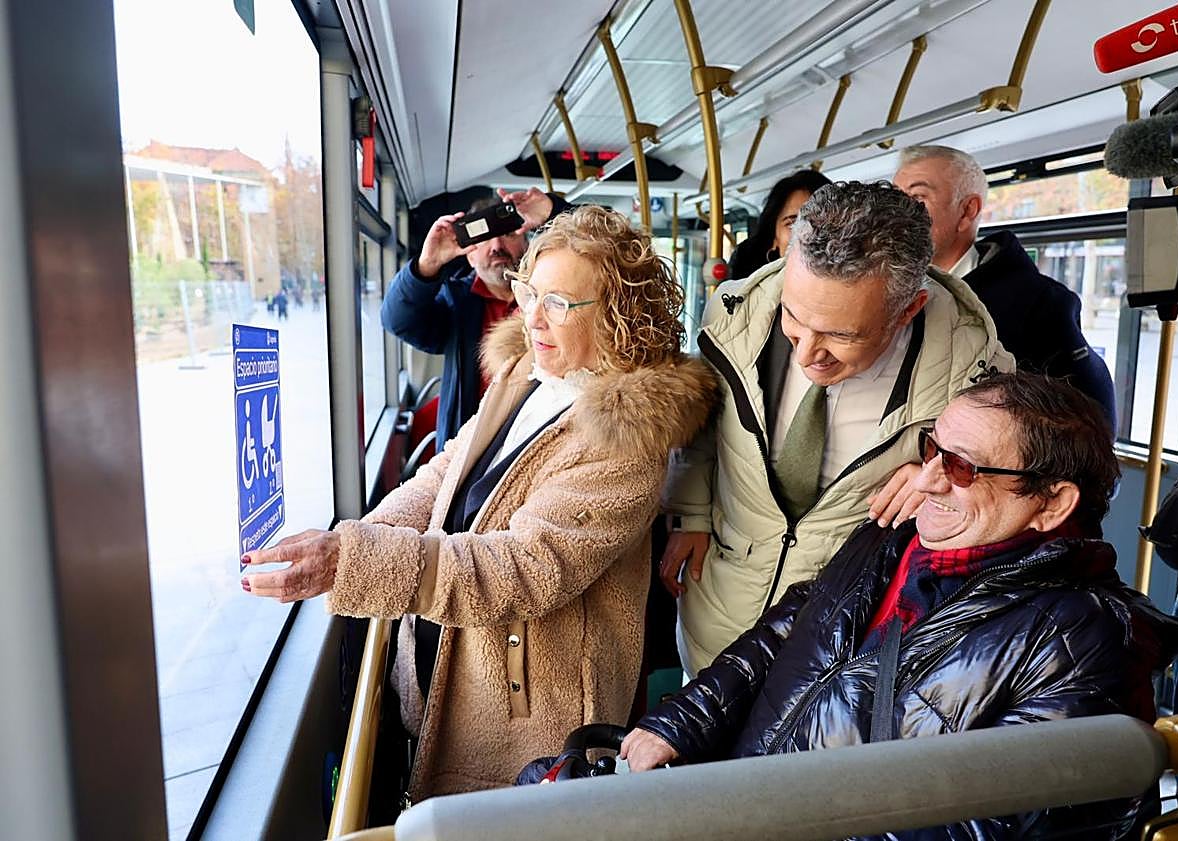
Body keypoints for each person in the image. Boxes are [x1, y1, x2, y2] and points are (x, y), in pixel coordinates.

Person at [242, 206, 719, 801]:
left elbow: (521, 568)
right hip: (458, 657)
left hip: (531, 709)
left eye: (560, 304)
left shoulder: (628, 439)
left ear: (620, 317)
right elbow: (447, 469)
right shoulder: (527, 372)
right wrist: (363, 537)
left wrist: (355, 564)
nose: (533, 317)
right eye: (529, 292)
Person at [624, 372, 1178, 839]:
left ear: (1051, 501)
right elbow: (792, 625)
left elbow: (989, 828)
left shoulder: (1080, 642)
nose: (928, 480)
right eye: (932, 449)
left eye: (963, 467)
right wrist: (684, 723)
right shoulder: (896, 537)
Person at [661, 180, 1014, 676]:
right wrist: (690, 513)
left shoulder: (974, 373)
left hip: (836, 650)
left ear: (908, 308)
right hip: (715, 618)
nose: (807, 354)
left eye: (841, 335)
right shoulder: (732, 315)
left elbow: (1005, 504)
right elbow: (707, 422)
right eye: (794, 317)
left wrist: (942, 481)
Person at [893, 144, 1117, 431]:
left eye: (917, 197)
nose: (899, 213)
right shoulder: (888, 290)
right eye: (895, 198)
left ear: (967, 211)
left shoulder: (1040, 304)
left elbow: (1090, 424)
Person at [382, 186, 570, 451]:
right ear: (469, 255)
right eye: (484, 239)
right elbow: (396, 320)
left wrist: (554, 211)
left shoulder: (554, 297)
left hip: (543, 439)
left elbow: (607, 253)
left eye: (506, 234)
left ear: (526, 245)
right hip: (469, 448)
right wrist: (426, 265)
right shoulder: (454, 304)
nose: (496, 246)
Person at [727, 170, 832, 279]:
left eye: (818, 221)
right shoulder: (751, 294)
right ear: (774, 238)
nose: (806, 232)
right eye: (792, 223)